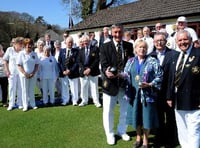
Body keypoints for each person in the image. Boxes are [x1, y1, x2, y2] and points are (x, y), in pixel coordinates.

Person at [100, 24, 134, 145]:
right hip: (110, 84)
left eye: (120, 32)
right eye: (115, 32)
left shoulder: (129, 46)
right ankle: (109, 134)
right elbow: (104, 63)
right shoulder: (105, 47)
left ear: (123, 32)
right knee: (108, 110)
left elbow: (131, 63)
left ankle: (122, 131)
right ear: (111, 32)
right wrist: (106, 71)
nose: (118, 34)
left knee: (124, 109)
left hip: (124, 84)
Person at [125, 39, 163, 148]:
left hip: (147, 96)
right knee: (136, 116)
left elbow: (160, 76)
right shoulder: (130, 61)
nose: (142, 49)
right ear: (135, 49)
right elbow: (126, 75)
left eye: (144, 47)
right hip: (133, 95)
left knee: (146, 117)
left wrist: (150, 84)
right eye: (140, 47)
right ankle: (138, 137)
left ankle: (146, 140)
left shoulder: (152, 61)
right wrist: (118, 74)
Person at [166, 30, 200, 148]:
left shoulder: (198, 54)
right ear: (176, 42)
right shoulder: (176, 56)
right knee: (182, 131)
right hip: (178, 101)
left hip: (194, 101)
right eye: (180, 40)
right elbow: (172, 78)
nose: (183, 42)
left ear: (191, 40)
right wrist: (169, 96)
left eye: (185, 39)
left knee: (194, 132)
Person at [149, 32, 178, 147]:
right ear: (154, 42)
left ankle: (171, 140)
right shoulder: (150, 56)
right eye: (157, 41)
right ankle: (159, 138)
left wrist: (170, 95)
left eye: (161, 40)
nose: (159, 43)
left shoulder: (174, 54)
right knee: (158, 118)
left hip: (169, 92)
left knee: (171, 118)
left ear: (166, 42)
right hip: (155, 94)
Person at [78, 35, 101, 107]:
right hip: (84, 72)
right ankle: (84, 101)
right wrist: (84, 69)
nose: (85, 43)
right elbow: (79, 61)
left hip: (93, 71)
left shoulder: (95, 49)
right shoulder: (81, 50)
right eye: (84, 41)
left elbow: (97, 60)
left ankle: (96, 101)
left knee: (94, 87)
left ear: (89, 41)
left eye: (86, 41)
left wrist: (90, 69)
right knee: (83, 87)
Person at [17, 38, 39, 112]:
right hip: (24, 76)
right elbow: (19, 65)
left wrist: (33, 73)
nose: (28, 46)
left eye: (30, 44)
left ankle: (33, 104)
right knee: (24, 90)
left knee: (31, 90)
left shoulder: (34, 54)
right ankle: (25, 105)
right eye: (27, 44)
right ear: (24, 45)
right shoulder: (21, 53)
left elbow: (36, 64)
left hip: (33, 75)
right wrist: (24, 73)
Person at [58, 36, 80, 106]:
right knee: (64, 87)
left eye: (71, 42)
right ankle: (65, 100)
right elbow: (60, 62)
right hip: (64, 73)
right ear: (66, 43)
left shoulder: (76, 51)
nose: (70, 44)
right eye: (68, 42)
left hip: (73, 73)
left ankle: (74, 101)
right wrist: (63, 70)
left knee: (74, 87)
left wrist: (70, 70)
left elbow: (77, 62)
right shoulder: (62, 51)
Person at [3, 37, 23, 111]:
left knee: (20, 88)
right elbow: (5, 60)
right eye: (20, 44)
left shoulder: (23, 50)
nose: (21, 45)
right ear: (15, 44)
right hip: (12, 72)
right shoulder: (9, 49)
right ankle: (11, 104)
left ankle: (19, 103)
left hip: (21, 72)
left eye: (22, 44)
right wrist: (7, 70)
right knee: (11, 88)